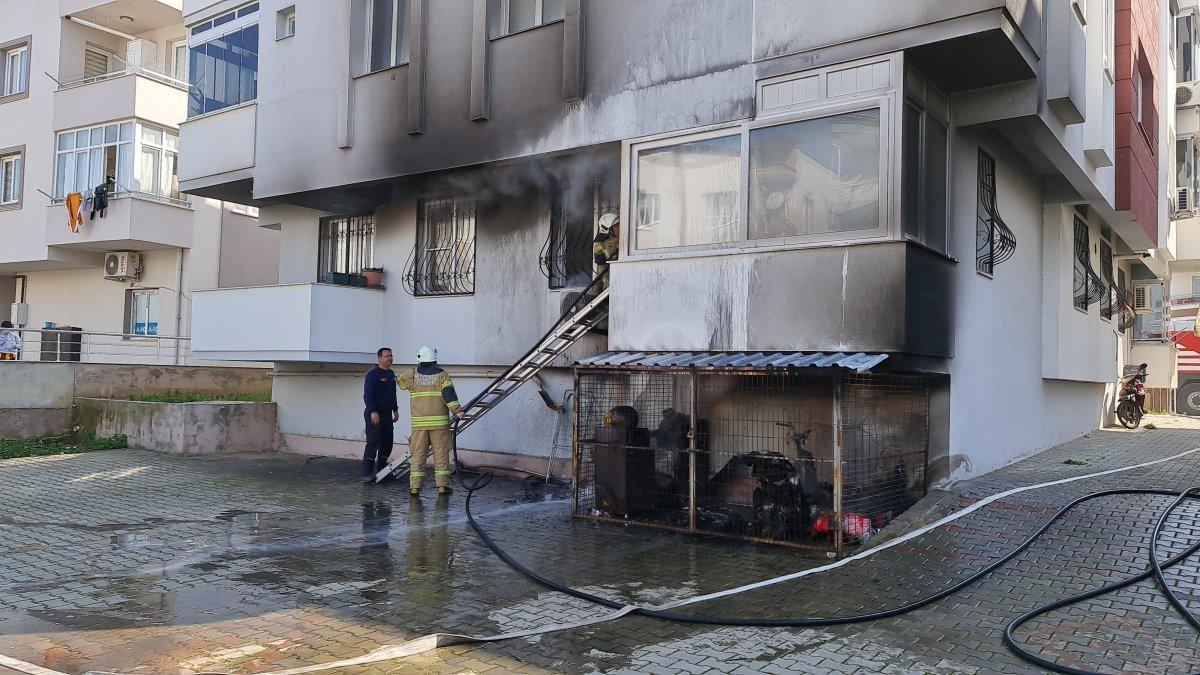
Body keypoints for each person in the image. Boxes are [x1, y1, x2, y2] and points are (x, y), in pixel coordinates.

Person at [397, 346, 466, 497]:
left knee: (418, 455)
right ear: (434, 359)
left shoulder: (412, 375)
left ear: (419, 359)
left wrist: (409, 373)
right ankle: (442, 486)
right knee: (440, 454)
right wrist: (458, 411)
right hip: (439, 425)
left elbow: (400, 383)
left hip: (419, 426)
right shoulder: (442, 375)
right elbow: (449, 394)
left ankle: (415, 487)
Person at [362, 347, 399, 484]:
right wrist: (373, 412)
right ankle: (367, 473)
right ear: (379, 358)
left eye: (391, 355)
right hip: (374, 414)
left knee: (387, 443)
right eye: (386, 356)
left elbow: (392, 395)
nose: (390, 358)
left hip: (387, 414)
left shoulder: (391, 374)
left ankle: (382, 470)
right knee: (373, 443)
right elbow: (367, 395)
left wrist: (395, 410)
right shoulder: (373, 374)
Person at [593, 212, 620, 286]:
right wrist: (614, 248)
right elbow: (599, 259)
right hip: (607, 274)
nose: (620, 227)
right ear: (609, 229)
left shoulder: (623, 238)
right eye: (617, 226)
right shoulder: (600, 242)